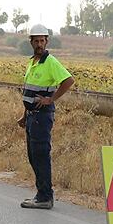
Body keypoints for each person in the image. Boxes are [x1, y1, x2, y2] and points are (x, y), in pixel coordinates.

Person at [19, 23, 73, 209]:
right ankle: (41, 193)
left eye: (43, 41)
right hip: (32, 116)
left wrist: (51, 99)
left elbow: (68, 80)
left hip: (42, 117)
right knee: (33, 156)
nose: (40, 44)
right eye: (37, 41)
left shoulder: (50, 62)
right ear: (31, 42)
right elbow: (31, 92)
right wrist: (24, 115)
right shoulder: (32, 62)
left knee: (41, 155)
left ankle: (45, 197)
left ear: (47, 41)